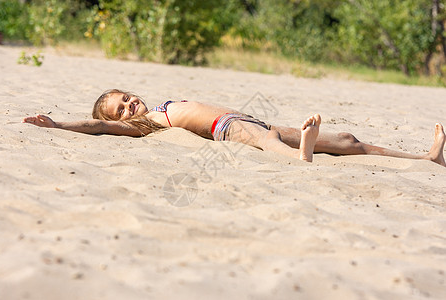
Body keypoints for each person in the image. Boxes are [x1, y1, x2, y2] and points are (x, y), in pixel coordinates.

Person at [23, 89, 445, 166]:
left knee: (349, 141)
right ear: (119, 119)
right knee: (265, 141)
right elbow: (95, 127)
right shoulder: (142, 124)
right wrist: (57, 123)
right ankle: (302, 160)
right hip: (225, 127)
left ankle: (425, 157)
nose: (131, 104)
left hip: (250, 118)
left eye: (127, 97)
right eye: (122, 108)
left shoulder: (157, 106)